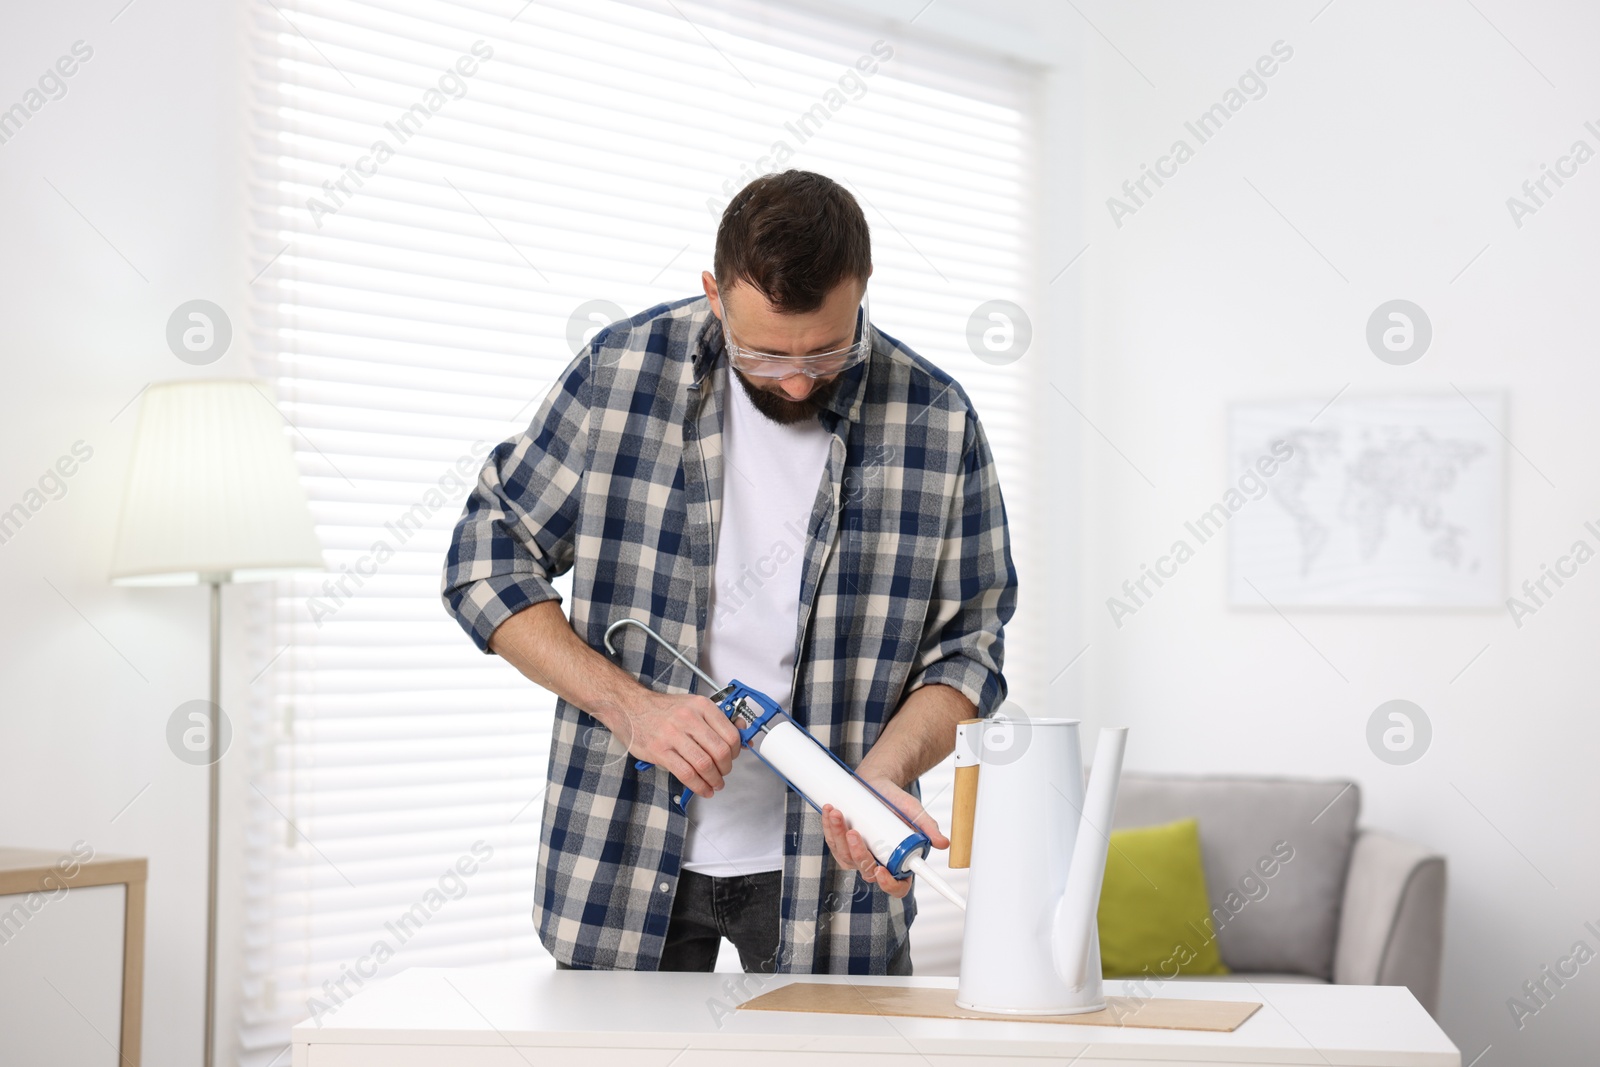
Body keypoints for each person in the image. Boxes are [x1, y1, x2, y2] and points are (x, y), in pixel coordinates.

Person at [442, 169, 1015, 975]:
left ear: (863, 290)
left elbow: (969, 648)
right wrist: (631, 707)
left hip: (830, 881)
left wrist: (884, 772)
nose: (793, 379)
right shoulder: (620, 376)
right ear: (714, 292)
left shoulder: (937, 421)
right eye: (763, 351)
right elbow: (485, 558)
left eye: (826, 350)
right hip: (620, 853)